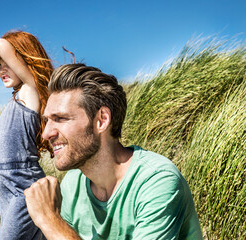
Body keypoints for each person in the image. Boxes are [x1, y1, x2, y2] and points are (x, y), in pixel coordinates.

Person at [24, 64, 203, 239]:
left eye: (60, 118)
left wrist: (49, 220)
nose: (46, 134)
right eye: (47, 120)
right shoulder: (72, 185)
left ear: (101, 120)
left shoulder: (157, 181)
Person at [0, 30, 53, 240]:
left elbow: (0, 44)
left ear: (25, 59)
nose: (1, 69)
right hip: (8, 189)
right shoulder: (17, 98)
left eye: (6, 62)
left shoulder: (30, 91)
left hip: (23, 187)